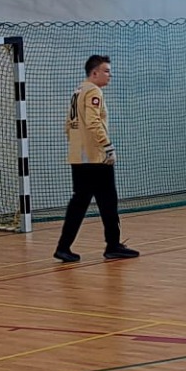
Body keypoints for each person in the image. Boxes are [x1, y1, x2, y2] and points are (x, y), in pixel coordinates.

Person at [53, 54, 138, 264]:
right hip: (94, 158)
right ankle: (112, 246)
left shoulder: (78, 91)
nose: (110, 75)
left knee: (82, 202)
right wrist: (107, 146)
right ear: (94, 73)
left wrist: (77, 146)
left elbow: (68, 124)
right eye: (106, 71)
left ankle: (65, 247)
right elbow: (93, 122)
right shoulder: (93, 91)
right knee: (107, 201)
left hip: (79, 157)